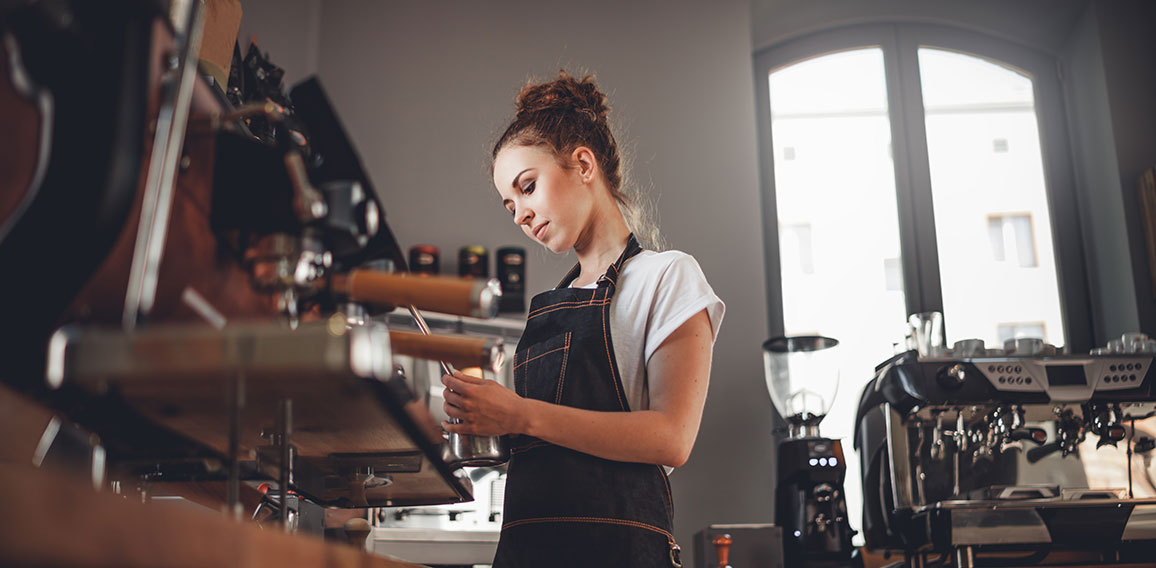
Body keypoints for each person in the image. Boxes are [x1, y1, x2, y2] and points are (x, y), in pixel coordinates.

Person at [441, 71, 724, 568]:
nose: (521, 215)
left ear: (583, 164)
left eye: (527, 188)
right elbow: (541, 442)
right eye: (510, 206)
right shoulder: (550, 303)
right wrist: (485, 422)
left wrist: (520, 414)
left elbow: (672, 439)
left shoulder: (667, 276)